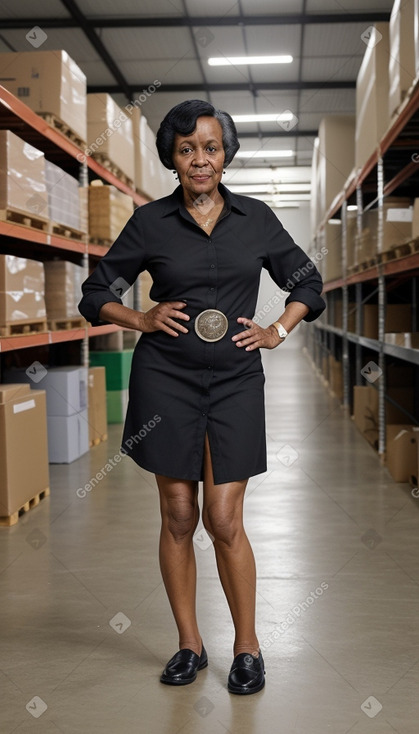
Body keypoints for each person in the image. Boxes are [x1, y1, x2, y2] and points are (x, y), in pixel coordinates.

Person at [79, 99, 325, 695]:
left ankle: (247, 646)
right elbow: (95, 292)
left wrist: (277, 330)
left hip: (237, 379)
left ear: (225, 155)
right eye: (187, 149)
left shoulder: (258, 219)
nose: (199, 159)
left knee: (223, 516)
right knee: (179, 514)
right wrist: (139, 317)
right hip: (167, 377)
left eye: (210, 148)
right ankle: (190, 644)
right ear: (173, 157)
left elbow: (308, 282)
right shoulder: (149, 223)